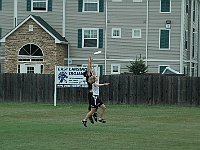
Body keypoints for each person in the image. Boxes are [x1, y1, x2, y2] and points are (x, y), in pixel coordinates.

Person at [83, 57, 97, 124]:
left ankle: (92, 114)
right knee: (91, 105)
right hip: (90, 92)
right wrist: (89, 62)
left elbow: (90, 69)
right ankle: (90, 115)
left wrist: (91, 62)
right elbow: (89, 69)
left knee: (94, 105)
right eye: (88, 73)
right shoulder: (88, 77)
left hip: (94, 92)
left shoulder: (91, 76)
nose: (89, 72)